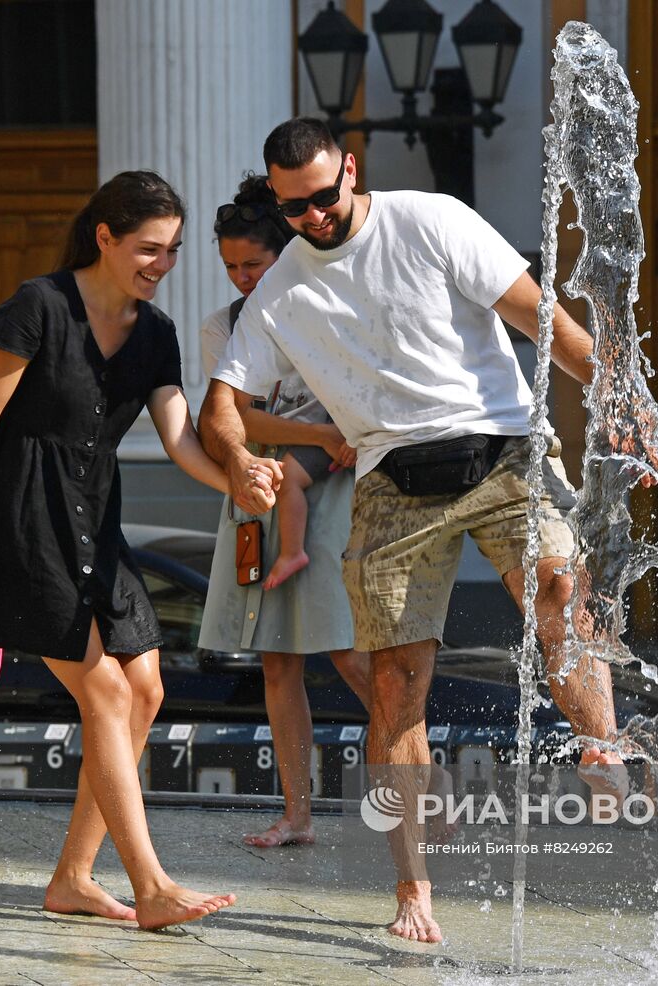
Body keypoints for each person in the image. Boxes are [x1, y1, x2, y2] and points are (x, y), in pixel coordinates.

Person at [200, 118, 658, 943]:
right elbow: (221, 408)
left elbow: (541, 319)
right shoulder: (279, 293)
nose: (311, 217)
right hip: (392, 481)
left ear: (350, 169)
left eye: (320, 197)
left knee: (560, 585)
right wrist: (239, 461)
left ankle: (600, 744)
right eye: (291, 208)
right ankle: (413, 888)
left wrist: (621, 398)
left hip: (501, 454)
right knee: (394, 688)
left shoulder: (432, 219)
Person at [0, 171, 275, 930]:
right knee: (106, 692)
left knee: (145, 692)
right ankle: (149, 885)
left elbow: (178, 436)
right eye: (148, 248)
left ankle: (74, 877)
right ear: (104, 237)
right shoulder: (38, 306)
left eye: (173, 252)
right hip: (16, 523)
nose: (161, 264)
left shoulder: (156, 333)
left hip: (92, 525)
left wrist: (233, 484)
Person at [198, 174, 371, 848]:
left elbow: (351, 401)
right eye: (231, 267)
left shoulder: (324, 309)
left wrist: (320, 437)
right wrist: (319, 432)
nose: (242, 278)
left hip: (328, 488)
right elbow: (235, 416)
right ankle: (298, 814)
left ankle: (426, 786)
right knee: (275, 661)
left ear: (285, 253)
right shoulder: (224, 326)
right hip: (256, 495)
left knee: (351, 656)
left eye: (254, 264)